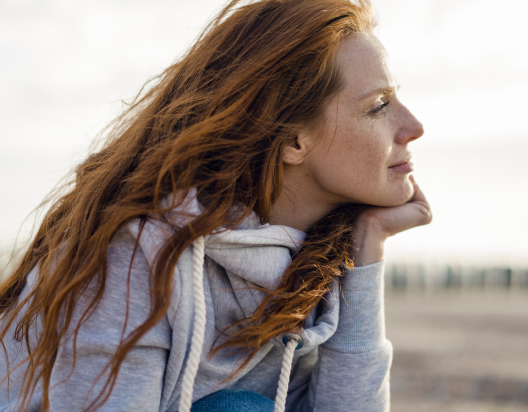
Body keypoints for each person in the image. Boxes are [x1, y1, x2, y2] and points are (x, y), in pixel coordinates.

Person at [0, 0, 431, 411]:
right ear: (293, 140)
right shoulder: (139, 252)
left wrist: (367, 250)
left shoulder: (319, 252)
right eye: (378, 106)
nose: (413, 126)